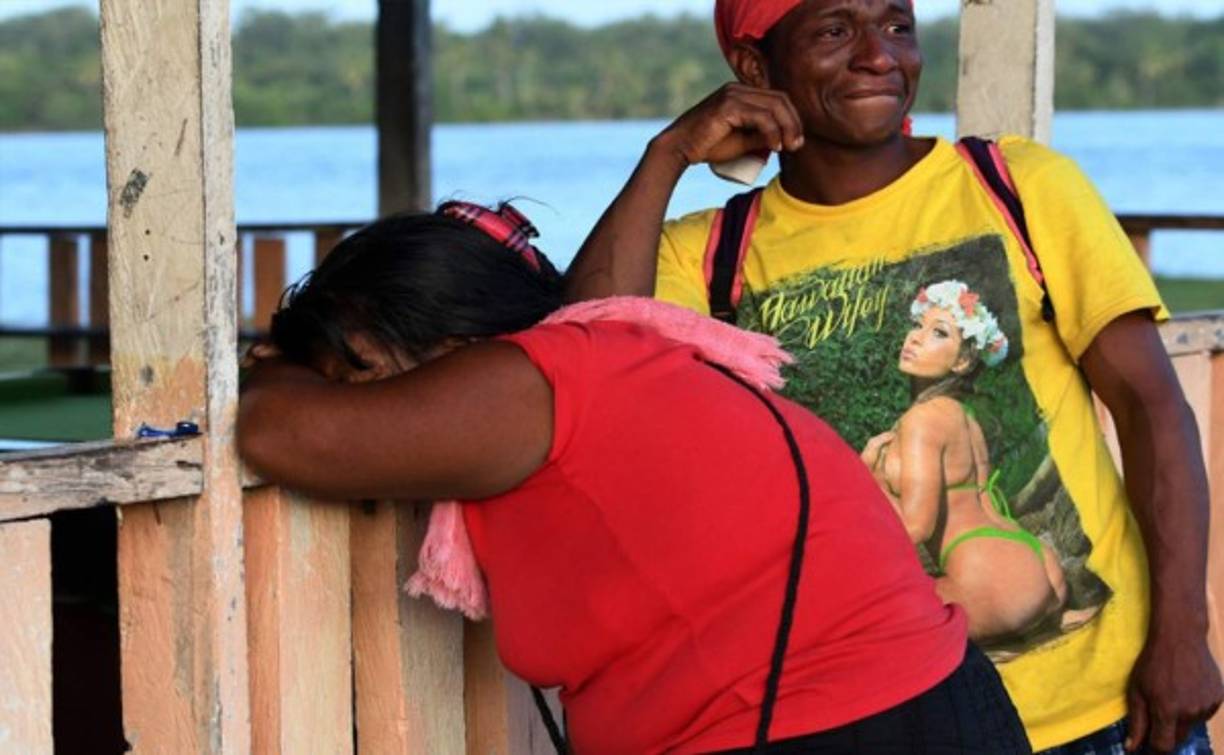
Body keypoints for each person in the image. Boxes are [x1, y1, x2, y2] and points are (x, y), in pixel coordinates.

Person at [563, 0, 1222, 752]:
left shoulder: (1018, 186)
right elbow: (582, 354)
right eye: (836, 30)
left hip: (1100, 716)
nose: (880, 54)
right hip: (889, 727)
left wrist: (1183, 633)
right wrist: (668, 154)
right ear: (754, 69)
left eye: (898, 25)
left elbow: (1150, 409)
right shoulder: (710, 258)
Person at [237, 204, 1032, 754]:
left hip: (847, 729)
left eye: (363, 376)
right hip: (900, 716)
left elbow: (280, 430)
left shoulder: (526, 384)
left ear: (453, 345)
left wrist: (268, 371)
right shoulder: (606, 361)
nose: (371, 415)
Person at [860, 279, 1067, 647]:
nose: (915, 338)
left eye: (938, 332)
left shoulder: (922, 420)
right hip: (1038, 565)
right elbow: (973, 502)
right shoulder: (964, 415)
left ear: (963, 360)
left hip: (990, 583)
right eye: (918, 326)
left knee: (857, 614)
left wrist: (868, 482)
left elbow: (915, 530)